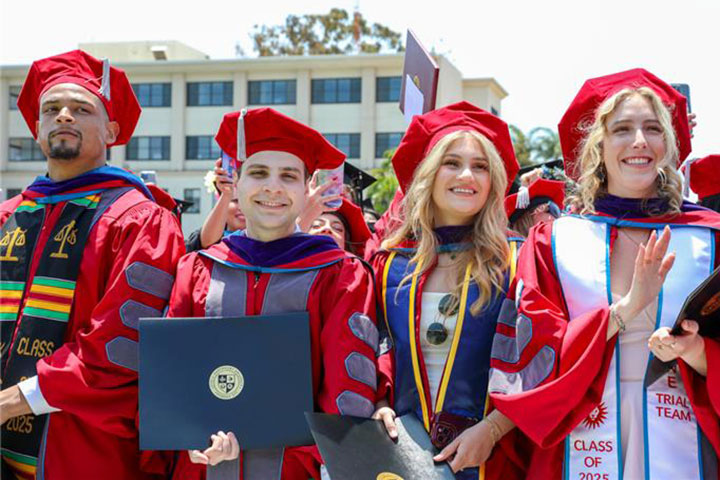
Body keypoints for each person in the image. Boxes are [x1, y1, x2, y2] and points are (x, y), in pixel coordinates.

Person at [488, 68, 720, 479]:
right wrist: (626, 309)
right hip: (576, 439)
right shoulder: (552, 242)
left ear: (668, 145)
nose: (639, 142)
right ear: (598, 145)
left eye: (653, 129)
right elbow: (533, 359)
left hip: (689, 438)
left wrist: (698, 354)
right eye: (621, 129)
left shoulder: (710, 240)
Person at [162, 107, 381, 479]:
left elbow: (347, 393)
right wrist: (191, 434)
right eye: (259, 173)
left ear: (305, 188)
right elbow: (173, 374)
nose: (273, 187)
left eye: (288, 176)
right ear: (237, 183)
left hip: (299, 469)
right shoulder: (199, 268)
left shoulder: (339, 274)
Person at [0, 50, 185, 479]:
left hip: (79, 452)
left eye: (81, 109)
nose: (63, 116)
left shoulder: (139, 219)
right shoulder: (11, 215)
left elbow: (120, 347)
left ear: (111, 130)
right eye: (51, 109)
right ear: (37, 127)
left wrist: (11, 402)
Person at [370, 102, 523, 479]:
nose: (466, 175)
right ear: (428, 173)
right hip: (405, 456)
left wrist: (494, 428)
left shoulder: (518, 260)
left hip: (493, 456)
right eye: (451, 162)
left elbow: (537, 361)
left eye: (481, 166)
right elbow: (375, 345)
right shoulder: (391, 264)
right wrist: (377, 400)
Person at [185, 161, 246, 252]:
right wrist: (226, 193)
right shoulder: (204, 238)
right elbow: (207, 243)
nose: (242, 207)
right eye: (235, 200)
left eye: (247, 201)